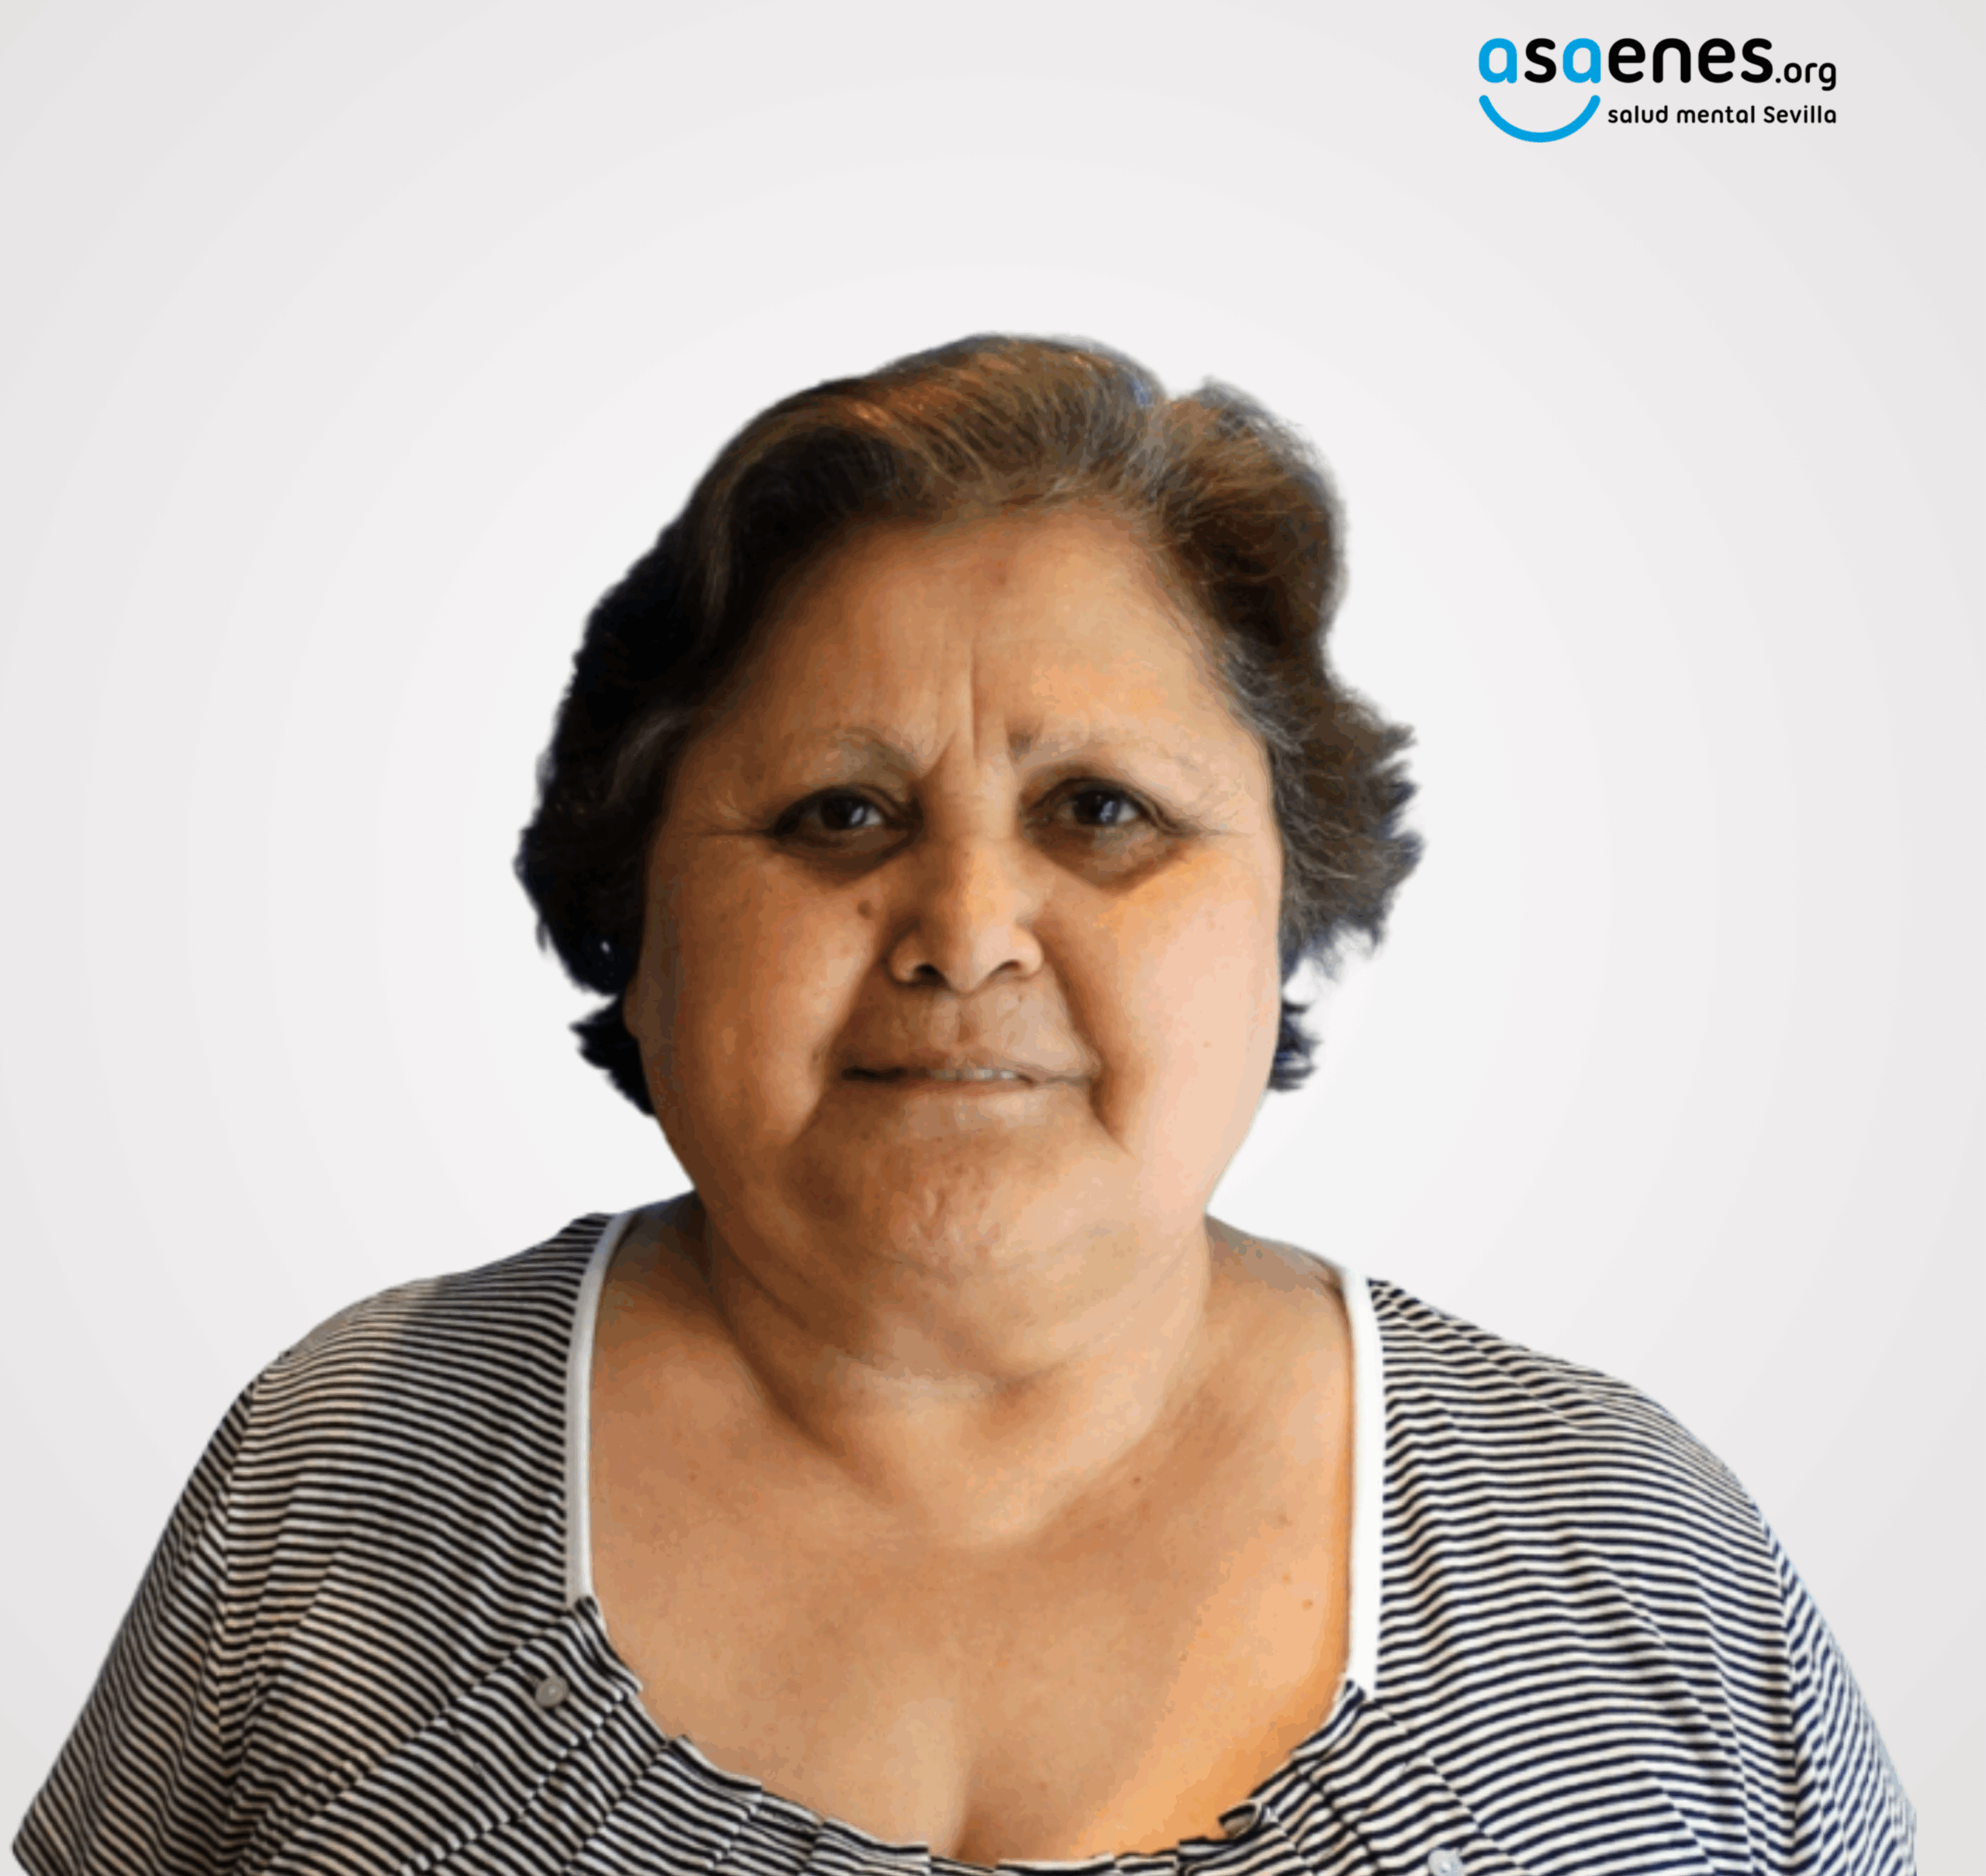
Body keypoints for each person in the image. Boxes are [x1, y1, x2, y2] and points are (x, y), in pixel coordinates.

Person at [16, 336, 1914, 1874]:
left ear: (1288, 901)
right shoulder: (338, 1474)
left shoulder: (1631, 1549)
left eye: (1101, 809)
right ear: (638, 910)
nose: (963, 929)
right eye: (840, 810)